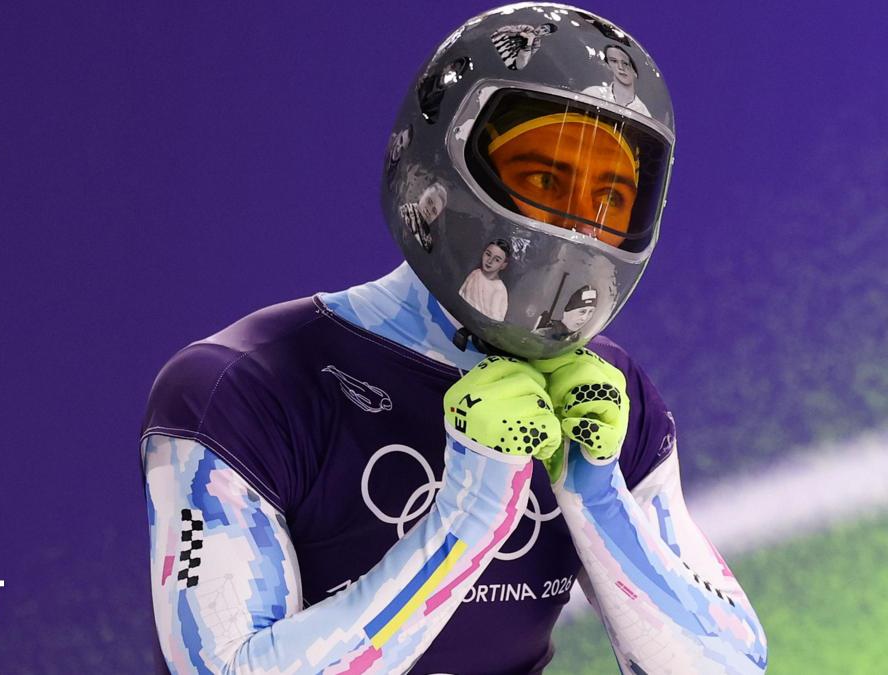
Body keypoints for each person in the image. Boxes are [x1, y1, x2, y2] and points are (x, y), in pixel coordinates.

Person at [142, 5, 767, 673]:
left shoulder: (607, 399)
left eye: (610, 198)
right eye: (543, 180)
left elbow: (731, 665)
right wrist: (466, 520)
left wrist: (597, 498)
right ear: (439, 160)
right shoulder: (239, 390)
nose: (579, 227)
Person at [581, 44, 651, 116]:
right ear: (608, 66)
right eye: (614, 61)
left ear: (635, 72)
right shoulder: (592, 94)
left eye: (625, 63)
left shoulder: (643, 113)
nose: (620, 67)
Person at [459, 239, 511, 321]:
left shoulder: (500, 290)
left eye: (497, 260)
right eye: (488, 254)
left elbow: (495, 319)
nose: (489, 261)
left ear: (503, 265)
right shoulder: (475, 274)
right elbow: (461, 293)